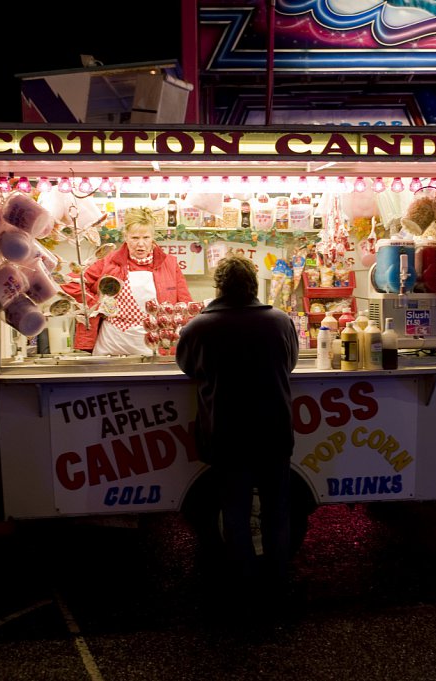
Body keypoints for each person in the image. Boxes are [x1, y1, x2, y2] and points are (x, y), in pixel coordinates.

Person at [175, 255, 300, 607]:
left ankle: (242, 583)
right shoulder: (279, 322)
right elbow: (290, 363)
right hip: (273, 430)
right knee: (277, 510)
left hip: (227, 433)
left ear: (219, 287)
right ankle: (277, 582)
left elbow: (187, 367)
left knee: (235, 510)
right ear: (253, 285)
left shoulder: (199, 327)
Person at [62, 206, 192, 355]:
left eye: (146, 238)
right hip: (112, 341)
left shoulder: (169, 263)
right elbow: (70, 283)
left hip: (152, 341)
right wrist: (96, 304)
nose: (141, 244)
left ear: (153, 237)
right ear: (126, 237)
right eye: (135, 238)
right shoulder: (108, 261)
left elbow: (184, 306)